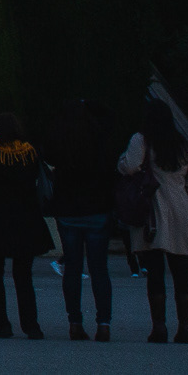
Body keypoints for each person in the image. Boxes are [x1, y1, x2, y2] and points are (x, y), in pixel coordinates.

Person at [119, 98, 188, 343]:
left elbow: (131, 165)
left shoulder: (142, 139)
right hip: (181, 208)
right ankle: (185, 327)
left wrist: (120, 162)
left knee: (154, 270)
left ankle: (159, 327)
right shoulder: (182, 144)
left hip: (152, 209)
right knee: (181, 270)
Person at [40, 98, 114, 341]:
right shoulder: (99, 136)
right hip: (97, 208)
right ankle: (103, 323)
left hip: (69, 209)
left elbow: (45, 152)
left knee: (72, 267)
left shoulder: (61, 139)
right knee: (99, 268)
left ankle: (75, 322)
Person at [0, 110, 53, 339]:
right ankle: (31, 325)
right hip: (25, 220)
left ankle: (2, 324)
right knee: (23, 276)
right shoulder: (30, 153)